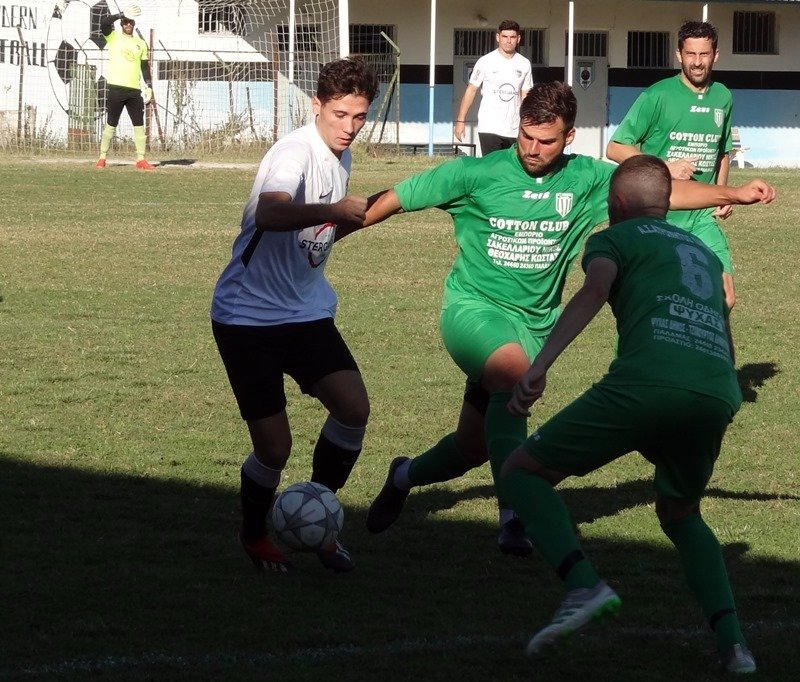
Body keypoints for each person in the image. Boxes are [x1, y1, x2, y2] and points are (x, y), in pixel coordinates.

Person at [363, 82, 774, 558]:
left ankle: (403, 476)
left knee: (473, 446)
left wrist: (734, 192)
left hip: (534, 323)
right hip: (473, 309)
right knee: (511, 378)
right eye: (525, 136)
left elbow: (663, 192)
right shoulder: (476, 173)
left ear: (571, 137)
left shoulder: (587, 179)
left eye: (546, 140)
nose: (532, 149)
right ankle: (515, 513)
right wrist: (332, 223)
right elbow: (395, 196)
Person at [499, 155, 762, 674]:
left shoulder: (612, 239)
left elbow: (594, 291)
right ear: (666, 205)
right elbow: (722, 323)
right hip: (715, 391)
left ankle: (583, 586)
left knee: (522, 473)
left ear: (616, 205)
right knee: (681, 514)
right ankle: (735, 646)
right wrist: (724, 387)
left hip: (646, 383)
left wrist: (540, 365)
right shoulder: (705, 252)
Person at [210, 57, 379, 574]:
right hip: (248, 318)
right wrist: (333, 211)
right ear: (316, 106)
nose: (349, 127)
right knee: (275, 447)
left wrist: (364, 215)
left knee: (353, 409)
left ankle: (315, 515)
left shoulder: (339, 156)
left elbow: (320, 236)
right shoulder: (294, 152)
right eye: (340, 114)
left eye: (359, 116)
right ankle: (255, 534)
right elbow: (271, 212)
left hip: (305, 311)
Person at [606, 21, 736, 309]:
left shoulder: (723, 97)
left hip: (701, 218)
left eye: (704, 54)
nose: (697, 62)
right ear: (679, 54)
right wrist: (663, 166)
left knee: (725, 297)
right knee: (658, 301)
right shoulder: (657, 95)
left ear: (716, 55)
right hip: (660, 217)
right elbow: (615, 148)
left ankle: (716, 355)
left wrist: (723, 193)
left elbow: (723, 150)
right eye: (691, 54)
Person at [454, 19, 533, 156]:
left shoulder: (524, 64)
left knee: (511, 170)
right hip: (489, 127)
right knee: (492, 169)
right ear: (498, 37)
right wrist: (461, 120)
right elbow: (471, 90)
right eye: (505, 37)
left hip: (514, 128)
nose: (509, 41)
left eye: (512, 37)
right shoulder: (485, 61)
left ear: (518, 39)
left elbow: (526, 95)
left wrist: (528, 123)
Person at [95, 5, 155, 171]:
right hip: (116, 88)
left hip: (134, 90)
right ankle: (102, 157)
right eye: (125, 22)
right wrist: (121, 14)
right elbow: (104, 23)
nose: (128, 25)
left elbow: (144, 67)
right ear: (122, 24)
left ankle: (141, 159)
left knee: (139, 125)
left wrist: (149, 86)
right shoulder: (113, 37)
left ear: (134, 24)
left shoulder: (141, 44)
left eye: (130, 22)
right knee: (111, 124)